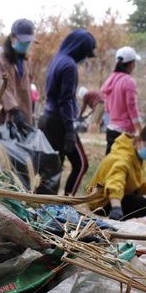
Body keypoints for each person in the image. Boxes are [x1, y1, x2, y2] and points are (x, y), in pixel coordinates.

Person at [38, 29, 96, 196]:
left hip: (48, 118)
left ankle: (50, 202)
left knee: (55, 166)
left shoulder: (57, 59)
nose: (85, 58)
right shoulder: (69, 65)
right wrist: (70, 131)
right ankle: (68, 201)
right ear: (80, 49)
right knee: (81, 164)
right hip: (60, 122)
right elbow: (65, 100)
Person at [86, 124, 146, 220]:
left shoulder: (136, 154)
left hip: (115, 194)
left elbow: (140, 181)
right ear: (139, 139)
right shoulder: (123, 158)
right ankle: (119, 220)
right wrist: (116, 208)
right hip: (100, 200)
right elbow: (115, 183)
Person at [0, 18, 38, 125]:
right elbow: (1, 87)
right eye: (22, 41)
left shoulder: (26, 61)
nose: (25, 44)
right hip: (4, 117)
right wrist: (15, 111)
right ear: (12, 37)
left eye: (28, 42)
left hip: (24, 116)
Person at [101, 46, 143, 155]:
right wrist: (141, 130)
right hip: (125, 134)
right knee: (124, 167)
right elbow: (132, 109)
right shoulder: (129, 82)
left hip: (111, 129)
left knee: (110, 166)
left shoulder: (110, 80)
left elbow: (107, 108)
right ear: (132, 64)